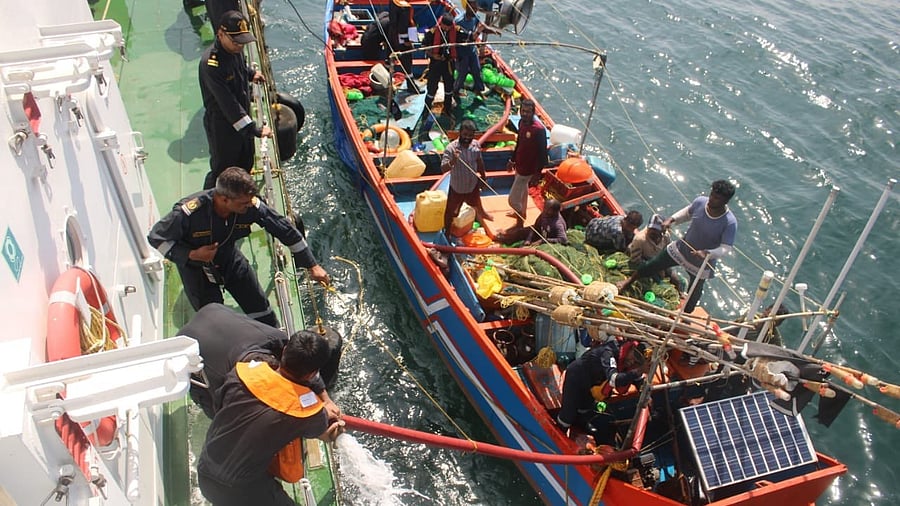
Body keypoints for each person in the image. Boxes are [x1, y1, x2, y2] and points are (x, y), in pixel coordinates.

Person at [147, 167, 330, 328]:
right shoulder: (189, 213)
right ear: (224, 199)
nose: (250, 205)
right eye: (243, 203)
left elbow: (283, 228)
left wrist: (312, 265)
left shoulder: (250, 205)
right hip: (197, 271)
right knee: (215, 321)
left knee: (262, 313)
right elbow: (157, 238)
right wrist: (192, 255)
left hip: (230, 260)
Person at [197, 327, 345, 506]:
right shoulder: (307, 412)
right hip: (241, 490)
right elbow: (325, 433)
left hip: (205, 469)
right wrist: (331, 422)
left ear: (284, 352)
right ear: (313, 373)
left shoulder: (241, 373)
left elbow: (219, 405)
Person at [179, 303, 341, 420]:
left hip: (212, 311)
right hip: (185, 347)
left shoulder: (279, 339)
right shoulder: (235, 382)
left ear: (285, 350)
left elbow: (306, 362)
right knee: (218, 411)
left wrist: (326, 400)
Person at [618, 180, 737, 313]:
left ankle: (685, 315)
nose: (711, 199)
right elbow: (687, 213)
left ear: (725, 201)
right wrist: (671, 219)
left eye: (716, 198)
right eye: (712, 194)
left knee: (695, 293)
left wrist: (707, 252)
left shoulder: (730, 222)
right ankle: (628, 282)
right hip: (681, 249)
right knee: (652, 265)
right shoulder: (701, 202)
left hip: (701, 263)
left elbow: (726, 248)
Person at [199, 10, 273, 190]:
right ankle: (210, 202)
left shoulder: (234, 48)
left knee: (245, 161)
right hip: (223, 126)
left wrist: (251, 74)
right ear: (220, 34)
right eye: (236, 42)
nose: (240, 46)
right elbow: (228, 105)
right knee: (222, 171)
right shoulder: (212, 65)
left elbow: (240, 67)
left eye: (242, 41)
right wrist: (254, 129)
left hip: (242, 118)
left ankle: (239, 199)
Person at [557, 339, 649, 432]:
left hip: (594, 383)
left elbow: (638, 380)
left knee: (584, 409)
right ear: (631, 348)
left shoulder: (630, 363)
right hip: (577, 377)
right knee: (567, 414)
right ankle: (560, 432)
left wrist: (645, 392)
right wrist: (639, 371)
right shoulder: (608, 353)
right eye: (634, 357)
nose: (633, 362)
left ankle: (580, 426)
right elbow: (614, 380)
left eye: (638, 362)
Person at [441, 120, 493, 236]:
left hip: (472, 185)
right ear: (459, 133)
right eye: (464, 135)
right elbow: (443, 169)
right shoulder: (451, 148)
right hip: (457, 188)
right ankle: (447, 232)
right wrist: (453, 161)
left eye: (470, 135)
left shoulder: (476, 145)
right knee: (451, 213)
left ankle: (482, 212)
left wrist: (483, 178)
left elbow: (479, 162)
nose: (467, 138)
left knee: (476, 201)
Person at [507, 99, 548, 227]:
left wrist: (537, 174)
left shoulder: (539, 129)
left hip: (528, 169)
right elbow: (519, 143)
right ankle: (521, 212)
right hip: (519, 164)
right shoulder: (521, 123)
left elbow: (543, 154)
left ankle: (520, 220)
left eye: (528, 112)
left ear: (533, 112)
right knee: (523, 193)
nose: (525, 114)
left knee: (513, 200)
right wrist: (512, 160)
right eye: (523, 111)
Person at [453, 3, 500, 100]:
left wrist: (493, 31)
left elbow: (482, 28)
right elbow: (469, 38)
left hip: (472, 49)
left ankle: (478, 90)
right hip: (461, 51)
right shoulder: (458, 21)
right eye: (473, 9)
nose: (475, 11)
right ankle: (455, 91)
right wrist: (479, 30)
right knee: (463, 72)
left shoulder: (475, 17)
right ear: (467, 8)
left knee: (477, 69)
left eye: (476, 9)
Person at [628, 213, 681, 290]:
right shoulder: (639, 239)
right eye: (651, 229)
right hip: (645, 261)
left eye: (657, 230)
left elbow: (668, 253)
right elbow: (635, 260)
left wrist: (663, 267)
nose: (653, 232)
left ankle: (680, 292)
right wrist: (654, 268)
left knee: (676, 279)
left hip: (659, 260)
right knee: (656, 281)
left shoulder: (666, 236)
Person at [424, 13, 463, 115]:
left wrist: (479, 31)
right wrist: (432, 55)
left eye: (449, 27)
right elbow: (424, 45)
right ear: (441, 24)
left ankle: (447, 108)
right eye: (445, 27)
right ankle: (427, 108)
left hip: (449, 64)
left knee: (449, 87)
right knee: (432, 87)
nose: (447, 29)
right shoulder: (432, 33)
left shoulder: (457, 30)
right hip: (436, 64)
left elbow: (468, 37)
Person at [388, 0, 419, 93]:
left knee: (390, 60)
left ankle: (387, 84)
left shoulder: (393, 3)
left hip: (393, 37)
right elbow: (407, 24)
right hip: (403, 41)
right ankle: (411, 86)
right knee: (407, 64)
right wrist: (410, 40)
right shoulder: (404, 8)